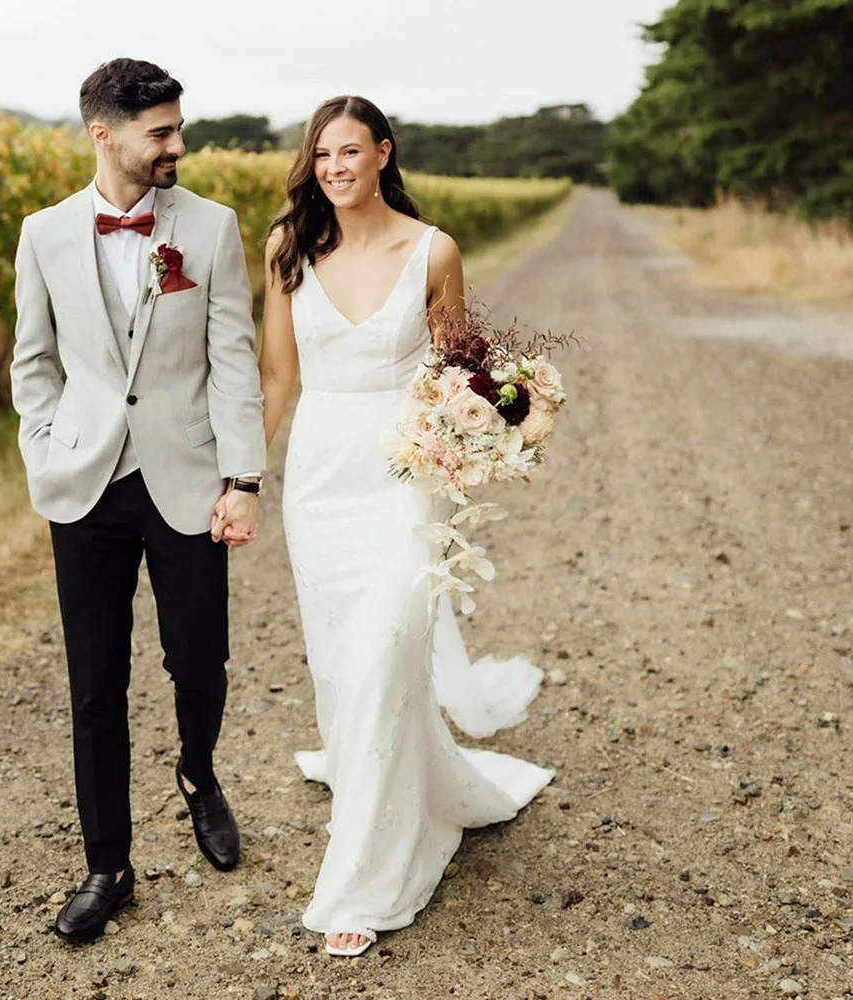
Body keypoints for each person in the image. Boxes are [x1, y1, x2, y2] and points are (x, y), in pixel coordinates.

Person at [256, 95, 554, 957]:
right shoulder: (287, 249)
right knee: (344, 660)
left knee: (388, 639)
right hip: (319, 477)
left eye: (350, 152)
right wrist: (239, 478)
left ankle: (364, 878)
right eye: (321, 156)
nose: (335, 168)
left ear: (383, 153)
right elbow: (277, 378)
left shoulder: (434, 250)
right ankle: (384, 782)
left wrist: (505, 413)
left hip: (403, 473)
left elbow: (458, 370)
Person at [10, 58, 265, 943]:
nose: (177, 145)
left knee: (199, 662)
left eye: (176, 127)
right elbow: (32, 363)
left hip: (187, 477)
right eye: (160, 131)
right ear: (103, 133)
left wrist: (242, 479)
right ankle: (107, 866)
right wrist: (45, 451)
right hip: (84, 486)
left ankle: (198, 772)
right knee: (95, 685)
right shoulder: (41, 234)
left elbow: (233, 358)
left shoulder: (213, 226)